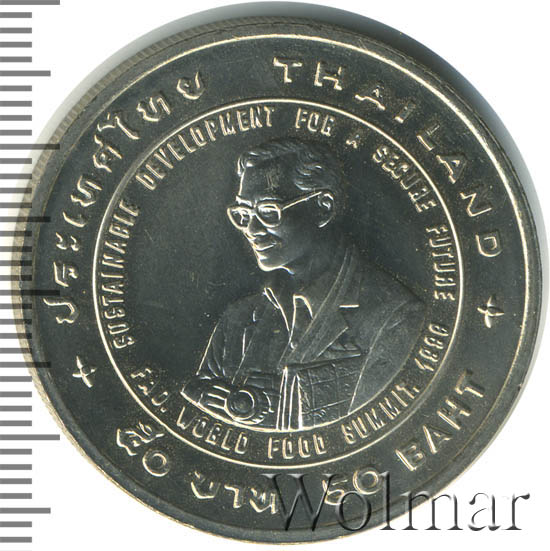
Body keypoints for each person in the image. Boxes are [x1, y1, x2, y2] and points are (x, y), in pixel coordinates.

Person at [181, 138, 425, 430]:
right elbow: (194, 413)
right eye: (243, 215)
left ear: (323, 208)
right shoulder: (239, 318)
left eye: (268, 212)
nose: (251, 229)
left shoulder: (395, 315)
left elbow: (375, 431)